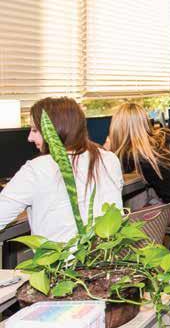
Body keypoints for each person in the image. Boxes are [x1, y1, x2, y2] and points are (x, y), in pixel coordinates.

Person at [0, 97, 123, 242]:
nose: (29, 138)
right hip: (109, 254)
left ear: (56, 130)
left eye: (35, 130)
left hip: (59, 257)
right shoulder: (109, 159)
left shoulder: (37, 169)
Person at [108, 103, 170, 226]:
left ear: (118, 128)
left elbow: (113, 167)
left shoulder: (131, 154)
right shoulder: (167, 135)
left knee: (131, 224)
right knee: (148, 205)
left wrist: (108, 149)